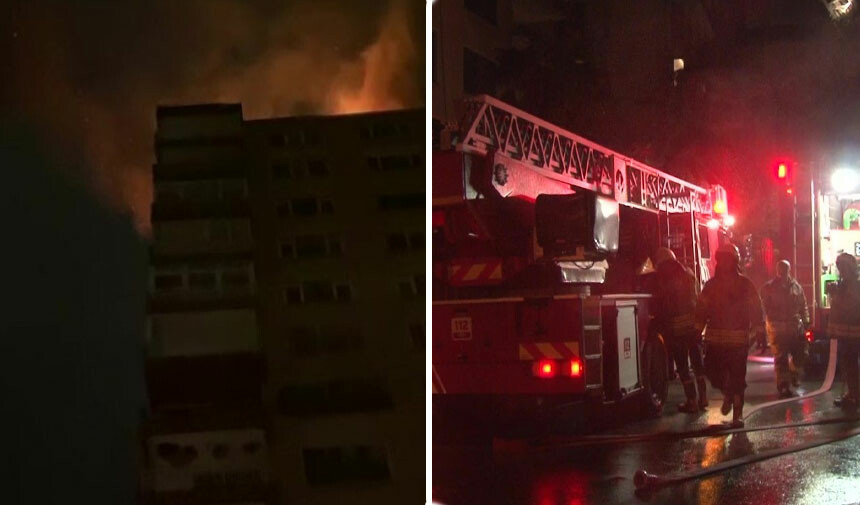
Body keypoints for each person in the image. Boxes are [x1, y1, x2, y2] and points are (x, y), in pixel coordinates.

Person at [696, 242, 766, 427]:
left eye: (729, 259)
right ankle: (727, 393)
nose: (725, 263)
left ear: (735, 261)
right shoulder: (711, 286)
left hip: (738, 340)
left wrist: (760, 331)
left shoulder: (745, 284)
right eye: (722, 259)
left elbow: (756, 308)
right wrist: (696, 330)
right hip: (715, 342)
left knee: (737, 377)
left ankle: (738, 414)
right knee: (712, 372)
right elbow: (701, 310)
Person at [651, 247, 706, 413]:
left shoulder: (664, 276)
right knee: (697, 364)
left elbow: (663, 302)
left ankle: (692, 400)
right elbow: (697, 296)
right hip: (693, 327)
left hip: (677, 329)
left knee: (682, 366)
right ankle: (703, 398)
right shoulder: (688, 273)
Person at [760, 260, 810, 397]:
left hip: (795, 327)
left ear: (789, 270)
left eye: (786, 269)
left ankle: (793, 373)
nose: (783, 272)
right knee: (781, 359)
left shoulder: (796, 287)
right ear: (777, 271)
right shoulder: (769, 287)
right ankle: (783, 385)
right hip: (777, 329)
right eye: (781, 269)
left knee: (802, 353)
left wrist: (806, 321)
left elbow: (803, 304)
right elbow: (763, 307)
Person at [828, 253, 860, 410]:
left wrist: (836, 294)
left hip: (854, 335)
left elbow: (848, 306)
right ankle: (852, 393)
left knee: (852, 365)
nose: (840, 271)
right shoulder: (846, 284)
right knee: (848, 365)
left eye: (842, 267)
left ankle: (854, 395)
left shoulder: (853, 286)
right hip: (847, 334)